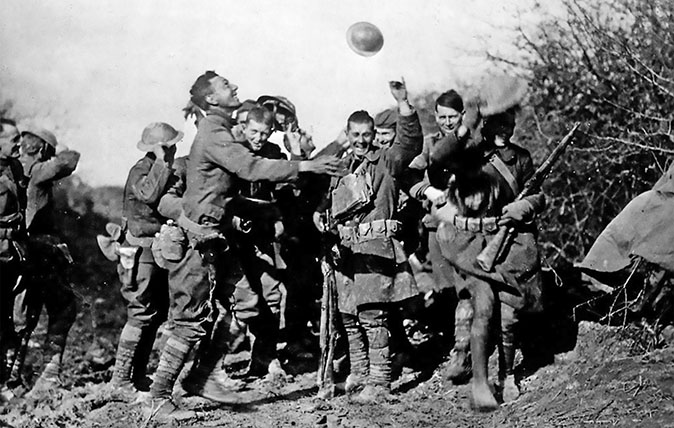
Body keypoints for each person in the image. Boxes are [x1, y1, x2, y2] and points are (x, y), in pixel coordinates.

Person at [145, 70, 343, 420]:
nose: (233, 86)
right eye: (225, 85)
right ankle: (159, 398)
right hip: (200, 238)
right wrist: (306, 164)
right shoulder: (214, 133)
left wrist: (264, 209)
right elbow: (250, 168)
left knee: (234, 306)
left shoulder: (218, 130)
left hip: (216, 237)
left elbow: (230, 193)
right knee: (190, 320)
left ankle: (200, 377)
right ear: (211, 99)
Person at [313, 78, 423, 403]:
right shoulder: (341, 167)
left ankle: (380, 383)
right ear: (347, 136)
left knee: (374, 318)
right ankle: (358, 375)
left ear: (373, 135)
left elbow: (411, 142)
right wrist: (323, 226)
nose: (361, 141)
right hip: (344, 252)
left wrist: (404, 104)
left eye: (366, 135)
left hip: (376, 250)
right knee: (348, 317)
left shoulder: (387, 161)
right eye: (355, 135)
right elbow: (327, 207)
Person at [432, 104, 544, 410]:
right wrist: (466, 125)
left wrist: (527, 205)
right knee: (482, 308)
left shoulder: (520, 158)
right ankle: (479, 383)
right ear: (486, 126)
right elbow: (439, 156)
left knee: (508, 316)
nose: (504, 132)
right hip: (473, 244)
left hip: (510, 242)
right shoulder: (471, 153)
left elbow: (536, 191)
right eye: (497, 125)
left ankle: (507, 376)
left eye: (509, 125)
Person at [107, 122, 181, 394]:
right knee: (140, 312)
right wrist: (161, 161)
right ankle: (120, 381)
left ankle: (136, 376)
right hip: (138, 250)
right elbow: (149, 194)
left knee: (156, 312)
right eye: (170, 147)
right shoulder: (142, 169)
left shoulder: (159, 169)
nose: (174, 151)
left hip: (153, 250)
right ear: (161, 148)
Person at [11, 126, 80, 397]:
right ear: (41, 150)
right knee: (63, 308)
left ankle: (12, 379)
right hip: (39, 251)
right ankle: (48, 378)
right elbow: (70, 159)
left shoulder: (12, 169)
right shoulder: (37, 171)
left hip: (19, 250)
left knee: (23, 316)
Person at [408, 90, 470, 368]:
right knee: (444, 286)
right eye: (442, 117)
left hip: (470, 224)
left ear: (463, 116)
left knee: (469, 281)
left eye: (452, 116)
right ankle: (450, 343)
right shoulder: (428, 144)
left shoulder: (474, 142)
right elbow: (410, 175)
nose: (447, 121)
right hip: (437, 224)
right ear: (435, 116)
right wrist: (429, 190)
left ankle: (472, 341)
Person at [0, 119, 24, 400]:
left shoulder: (15, 167)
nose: (19, 144)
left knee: (8, 319)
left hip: (11, 252)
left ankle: (5, 381)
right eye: (13, 139)